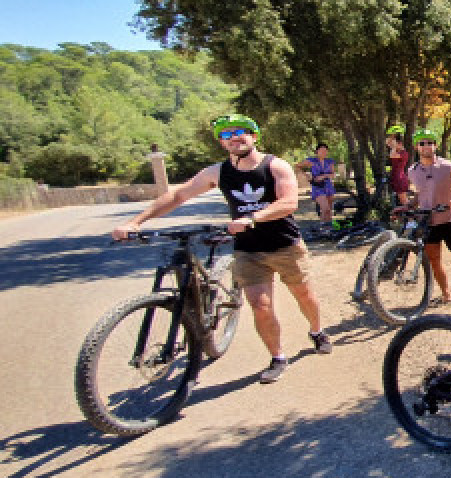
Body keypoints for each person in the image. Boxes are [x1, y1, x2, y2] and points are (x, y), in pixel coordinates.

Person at [113, 114, 329, 384]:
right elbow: (178, 195)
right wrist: (135, 222)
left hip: (285, 245)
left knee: (304, 295)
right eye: (226, 135)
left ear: (254, 136)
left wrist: (252, 218)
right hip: (248, 250)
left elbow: (288, 203)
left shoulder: (276, 166)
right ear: (222, 143)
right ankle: (278, 357)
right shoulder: (217, 172)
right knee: (259, 305)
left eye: (240, 132)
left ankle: (317, 331)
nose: (234, 138)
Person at [406, 127, 451, 305]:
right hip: (428, 220)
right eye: (422, 143)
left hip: (449, 219)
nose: (427, 146)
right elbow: (421, 193)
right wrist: (409, 205)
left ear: (436, 146)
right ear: (417, 147)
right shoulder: (412, 171)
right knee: (434, 259)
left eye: (430, 143)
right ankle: (446, 294)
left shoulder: (448, 166)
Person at [301, 143, 336, 224]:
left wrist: (324, 176)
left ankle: (326, 228)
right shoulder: (311, 160)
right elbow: (297, 166)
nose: (324, 152)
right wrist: (306, 175)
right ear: (317, 151)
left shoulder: (330, 161)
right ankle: (324, 228)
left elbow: (333, 174)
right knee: (325, 209)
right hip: (317, 187)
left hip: (328, 186)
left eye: (326, 150)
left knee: (328, 211)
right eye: (322, 150)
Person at [385, 125, 410, 204]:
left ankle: (412, 215)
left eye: (396, 143)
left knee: (404, 201)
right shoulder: (398, 151)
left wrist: (394, 146)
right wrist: (393, 136)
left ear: (400, 144)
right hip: (395, 177)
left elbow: (392, 155)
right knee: (400, 201)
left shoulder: (403, 153)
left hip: (400, 179)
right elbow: (387, 142)